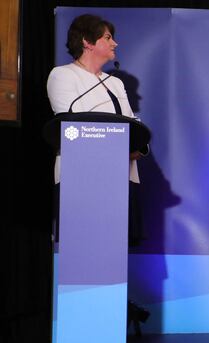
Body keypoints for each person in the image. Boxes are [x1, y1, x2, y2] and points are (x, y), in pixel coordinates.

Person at [47, 14, 149, 245]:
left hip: (121, 178)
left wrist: (137, 148)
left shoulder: (115, 82)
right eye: (107, 37)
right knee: (84, 249)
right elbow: (70, 129)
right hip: (79, 179)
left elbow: (132, 125)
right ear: (87, 41)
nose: (115, 43)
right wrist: (117, 149)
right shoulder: (63, 75)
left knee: (115, 254)